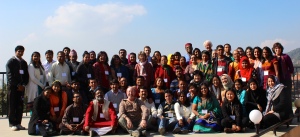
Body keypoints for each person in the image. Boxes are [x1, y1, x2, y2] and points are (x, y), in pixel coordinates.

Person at [6, 45, 29, 130]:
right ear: (15, 52)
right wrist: (17, 85)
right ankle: (12, 124)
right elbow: (9, 76)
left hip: (21, 88)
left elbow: (26, 75)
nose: (20, 53)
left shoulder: (24, 62)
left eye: (22, 51)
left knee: (20, 106)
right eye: (19, 51)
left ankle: (18, 123)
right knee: (12, 105)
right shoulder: (11, 62)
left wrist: (23, 85)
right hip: (13, 88)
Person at [272, 42, 294, 118]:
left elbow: (291, 68)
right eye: (276, 48)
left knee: (287, 97)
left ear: (281, 49)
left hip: (286, 80)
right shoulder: (273, 58)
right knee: (280, 98)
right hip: (277, 81)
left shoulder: (286, 57)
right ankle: (282, 114)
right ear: (274, 50)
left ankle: (290, 114)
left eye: (278, 48)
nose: (277, 50)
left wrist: (287, 75)